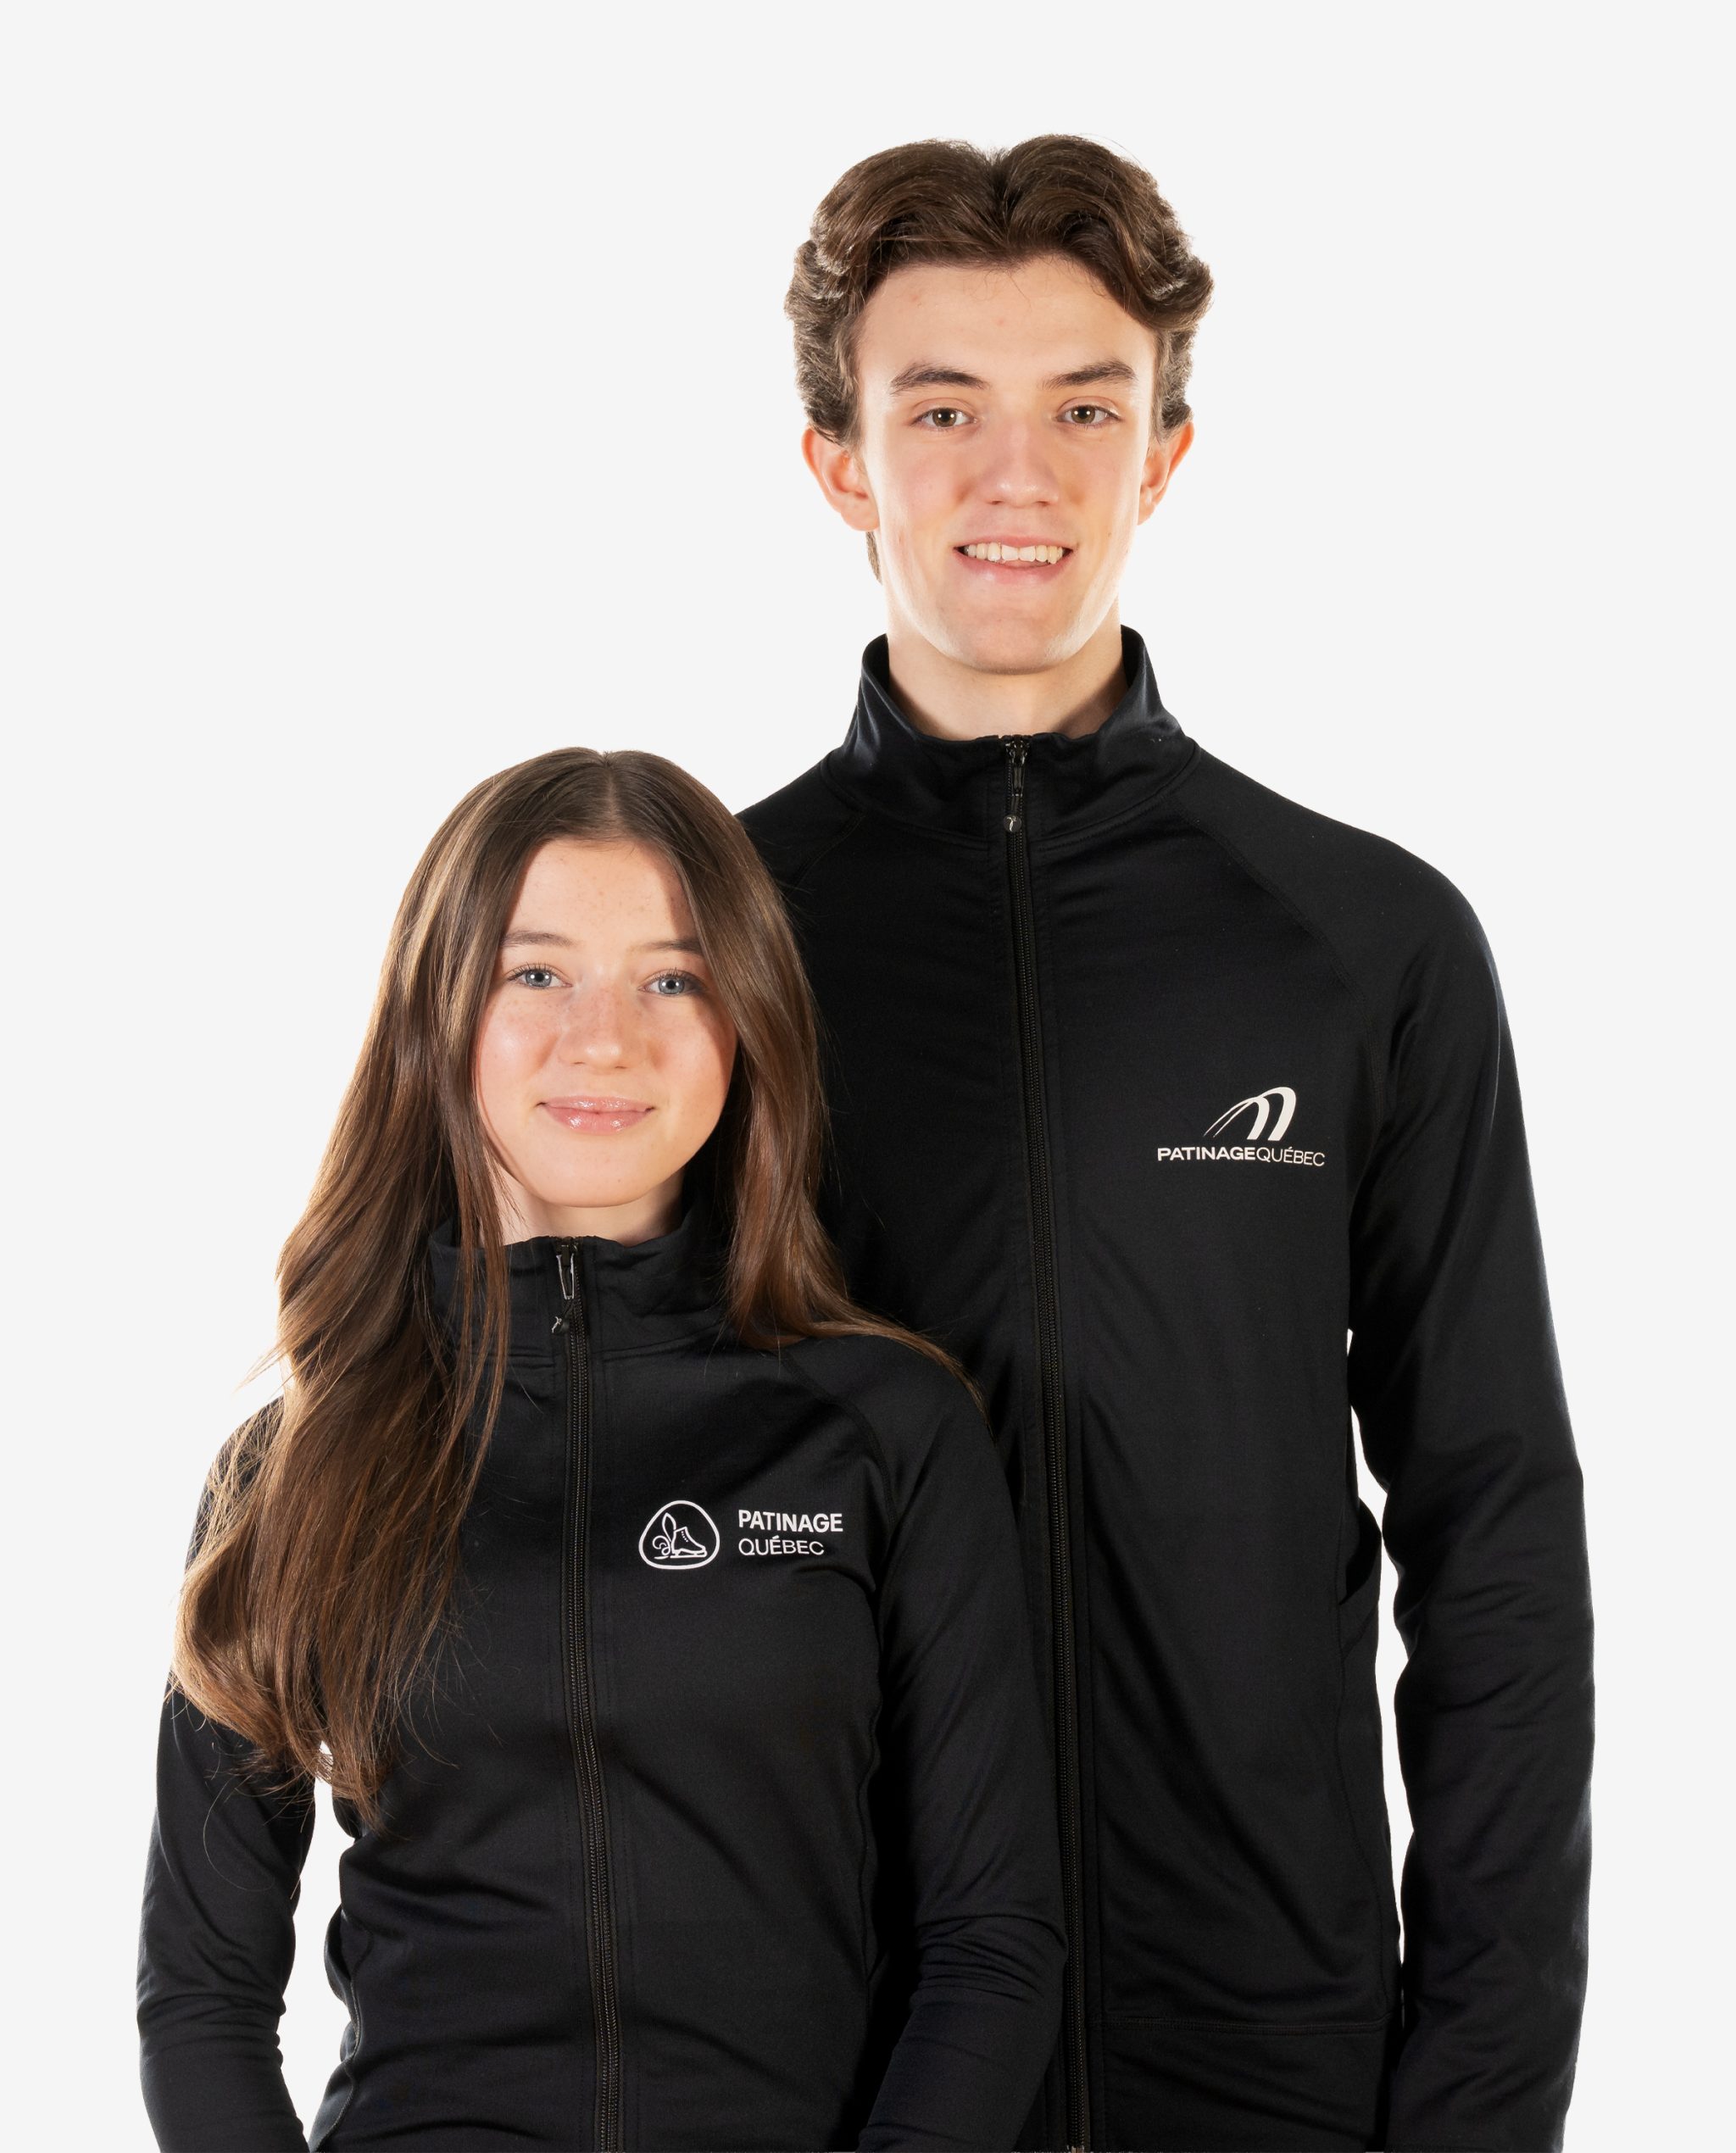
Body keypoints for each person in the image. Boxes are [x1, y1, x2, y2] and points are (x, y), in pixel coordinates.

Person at [741, 136, 1594, 2153]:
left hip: (1271, 2047)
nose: (1016, 473)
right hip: (838, 2055)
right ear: (838, 463)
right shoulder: (712, 948)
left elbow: (1495, 1544)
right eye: (939, 408)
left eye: (1083, 408)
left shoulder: (1360, 941)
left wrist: (1478, 2101)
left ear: (1166, 456)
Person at [136, 748, 1066, 2152]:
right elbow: (201, 1998)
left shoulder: (883, 1427)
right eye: (537, 974)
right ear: (439, 1011)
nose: (606, 1040)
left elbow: (995, 1944)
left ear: (747, 1021)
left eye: (673, 981)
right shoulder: (295, 1468)